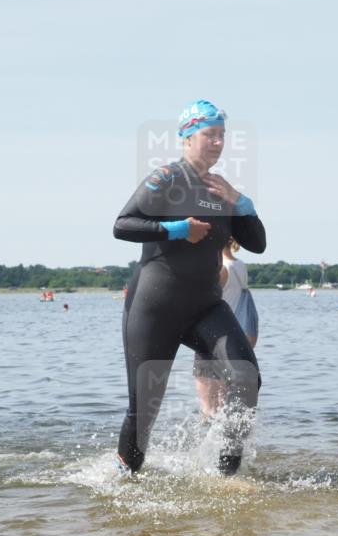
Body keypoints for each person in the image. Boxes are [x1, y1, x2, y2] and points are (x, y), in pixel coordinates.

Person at [114, 99, 266, 476]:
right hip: (155, 306)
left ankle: (226, 476)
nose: (217, 142)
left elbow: (258, 243)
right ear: (186, 137)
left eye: (222, 136)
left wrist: (240, 202)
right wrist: (179, 228)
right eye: (208, 134)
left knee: (246, 377)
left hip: (205, 307)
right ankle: (125, 478)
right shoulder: (166, 178)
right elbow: (123, 224)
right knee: (144, 409)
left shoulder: (221, 190)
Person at [194, 238, 258, 416]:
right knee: (225, 397)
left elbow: (204, 299)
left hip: (215, 334)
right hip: (237, 334)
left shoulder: (223, 269)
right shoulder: (241, 265)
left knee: (208, 405)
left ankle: (207, 440)